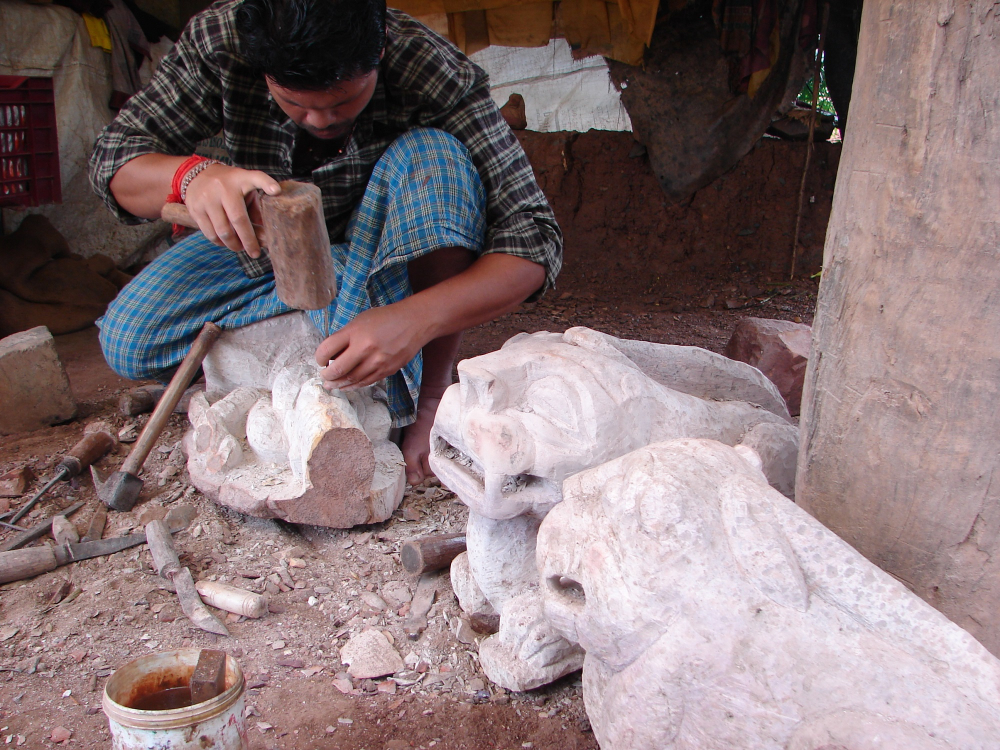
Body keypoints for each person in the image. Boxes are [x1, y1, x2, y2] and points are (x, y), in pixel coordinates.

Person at [89, 0, 562, 485]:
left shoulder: (428, 65)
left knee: (435, 158)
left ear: (379, 51)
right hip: (268, 246)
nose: (318, 120)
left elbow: (533, 240)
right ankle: (330, 318)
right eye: (294, 102)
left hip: (388, 245)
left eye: (342, 101)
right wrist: (191, 176)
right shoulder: (220, 42)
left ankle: (426, 394)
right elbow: (112, 160)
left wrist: (415, 318)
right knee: (130, 340)